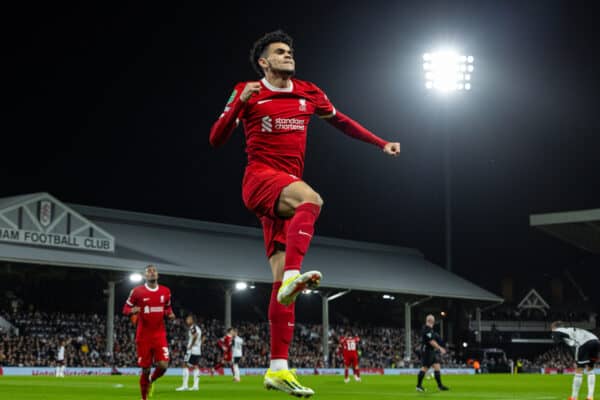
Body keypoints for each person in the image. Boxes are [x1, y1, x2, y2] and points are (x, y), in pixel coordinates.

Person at [209, 30, 400, 397]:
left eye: (290, 51)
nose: (288, 55)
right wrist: (238, 103)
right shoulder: (247, 90)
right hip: (260, 180)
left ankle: (277, 369)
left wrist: (381, 144)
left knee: (282, 287)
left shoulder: (308, 91)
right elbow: (216, 139)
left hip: (284, 191)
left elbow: (342, 121)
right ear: (264, 62)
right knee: (312, 199)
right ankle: (296, 275)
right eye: (280, 52)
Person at [122, 265, 175, 400]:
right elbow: (125, 308)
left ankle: (152, 379)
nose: (152, 273)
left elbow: (168, 308)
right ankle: (144, 397)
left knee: (163, 365)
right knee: (145, 369)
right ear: (145, 276)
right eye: (149, 271)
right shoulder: (137, 292)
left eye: (154, 271)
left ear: (157, 275)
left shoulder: (166, 291)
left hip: (159, 335)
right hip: (143, 336)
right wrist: (131, 311)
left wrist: (170, 314)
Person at [552, 321, 600, 400]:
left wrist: (569, 355)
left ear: (553, 327)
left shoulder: (556, 331)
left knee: (579, 369)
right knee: (590, 369)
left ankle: (574, 397)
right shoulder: (570, 330)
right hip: (596, 341)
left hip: (583, 344)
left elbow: (559, 344)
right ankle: (590, 397)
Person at [416, 314, 449, 392]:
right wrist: (440, 348)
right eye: (433, 320)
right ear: (431, 321)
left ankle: (440, 386)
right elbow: (431, 341)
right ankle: (418, 386)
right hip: (427, 351)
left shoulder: (430, 330)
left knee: (437, 366)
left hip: (431, 351)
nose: (434, 322)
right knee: (425, 368)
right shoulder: (427, 329)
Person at [176, 314, 202, 391]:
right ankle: (195, 386)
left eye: (188, 319)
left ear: (192, 320)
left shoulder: (193, 327)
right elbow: (200, 337)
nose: (187, 320)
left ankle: (185, 386)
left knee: (184, 365)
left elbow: (195, 335)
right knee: (196, 366)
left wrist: (191, 345)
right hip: (198, 350)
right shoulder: (198, 328)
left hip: (192, 350)